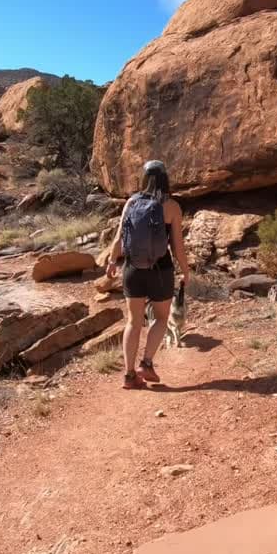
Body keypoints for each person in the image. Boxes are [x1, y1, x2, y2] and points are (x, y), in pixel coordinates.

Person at [105, 160, 190, 389]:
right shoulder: (171, 206)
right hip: (161, 271)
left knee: (133, 321)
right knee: (162, 319)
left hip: (133, 269)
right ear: (165, 179)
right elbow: (177, 247)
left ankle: (129, 375)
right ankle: (147, 363)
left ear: (144, 178)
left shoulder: (131, 202)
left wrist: (113, 262)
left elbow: (119, 239)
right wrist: (185, 270)